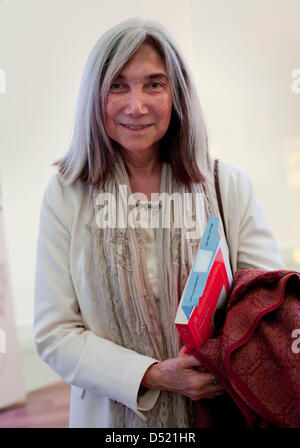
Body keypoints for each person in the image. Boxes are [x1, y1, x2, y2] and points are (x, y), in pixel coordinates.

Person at [33, 18, 284, 428]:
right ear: (94, 96)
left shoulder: (227, 186)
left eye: (154, 84)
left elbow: (266, 304)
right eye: (118, 85)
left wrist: (211, 360)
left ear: (178, 95)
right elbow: (55, 333)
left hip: (216, 413)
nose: (136, 105)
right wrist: (150, 374)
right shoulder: (66, 194)